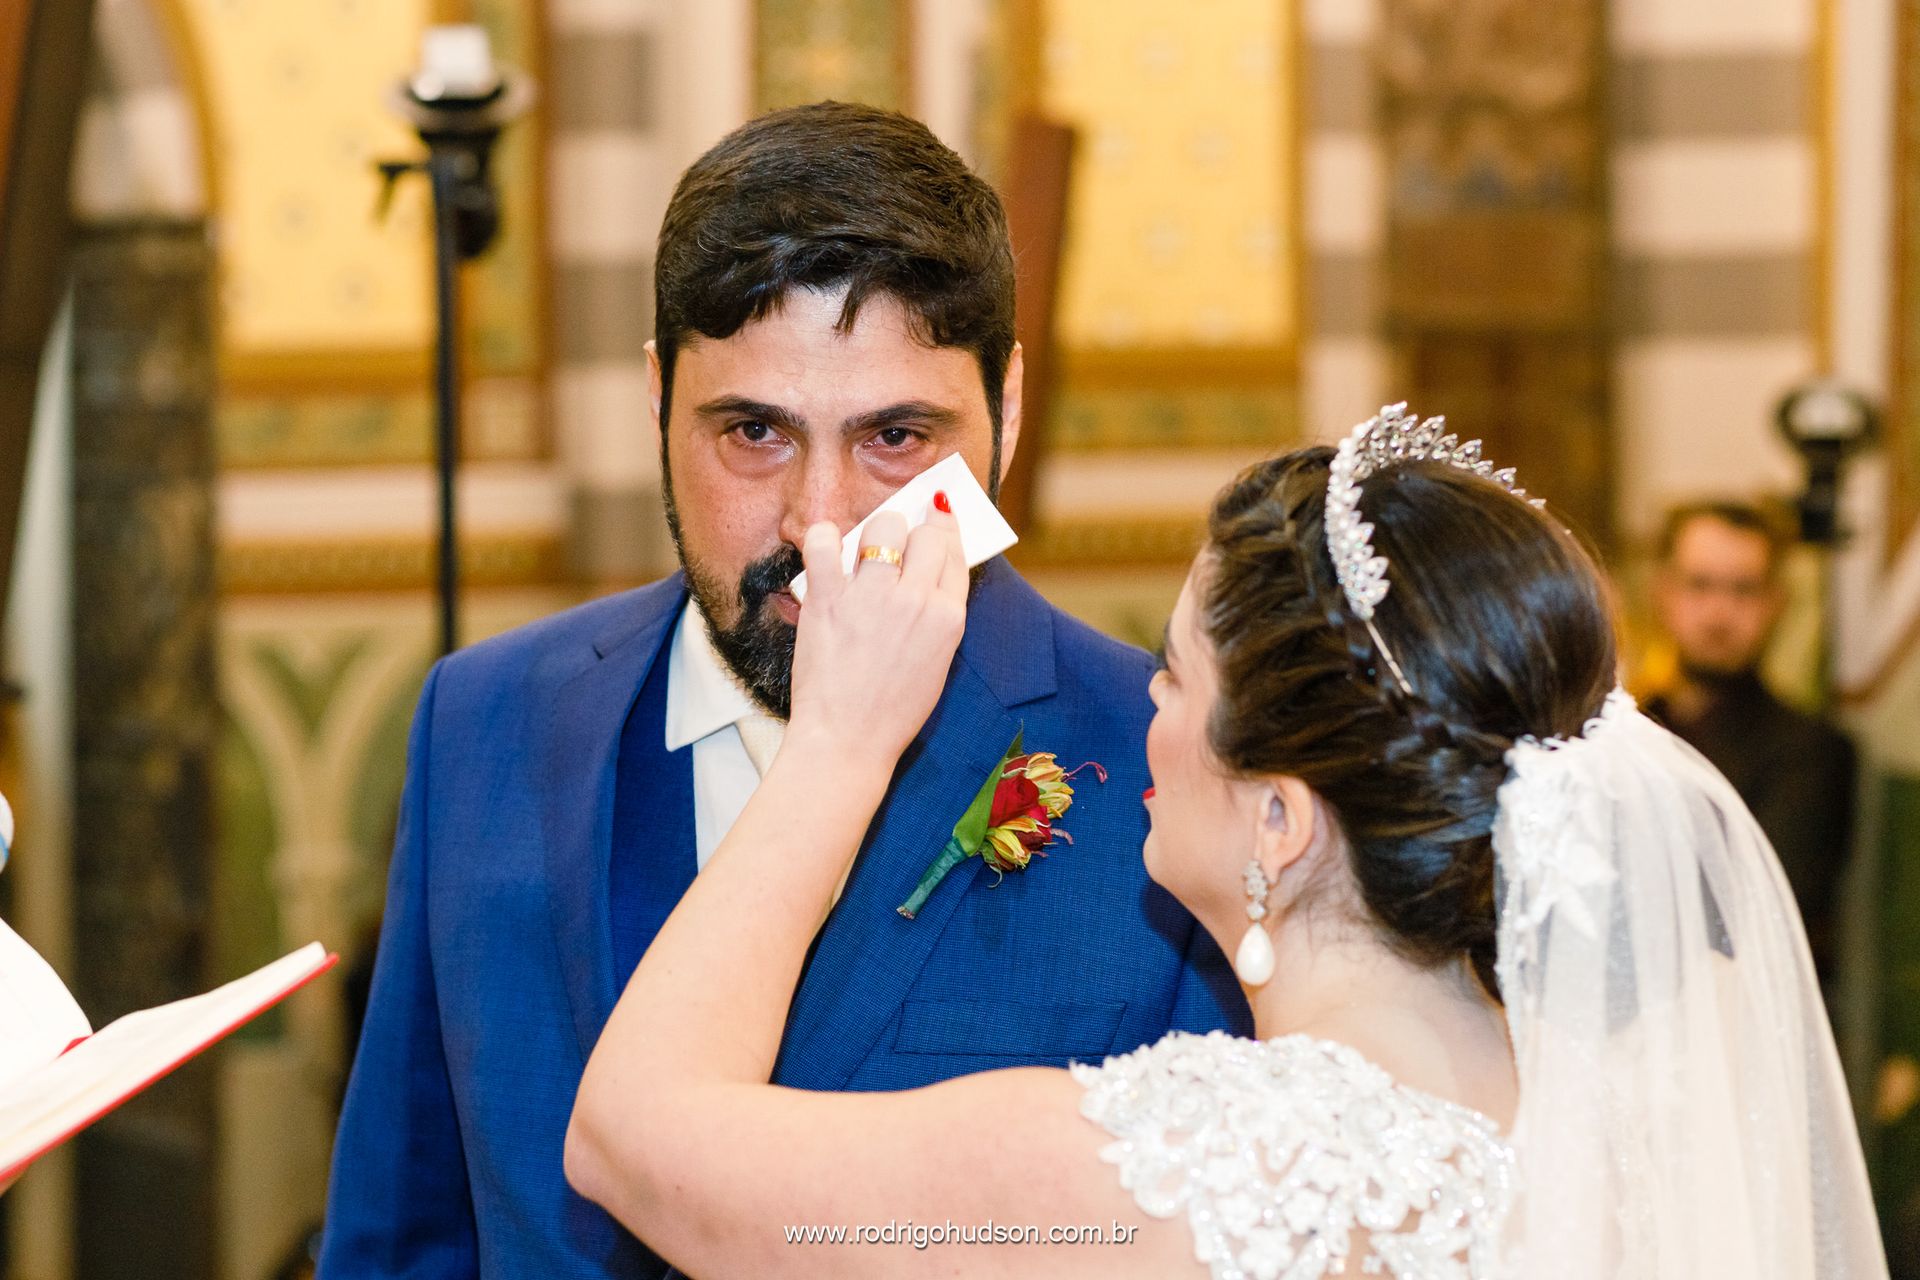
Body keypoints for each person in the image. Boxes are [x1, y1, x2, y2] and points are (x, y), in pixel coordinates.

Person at [565, 405, 1888, 1278]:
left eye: (1175, 679)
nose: (1144, 713)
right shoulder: (1626, 1118)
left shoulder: (1182, 1168)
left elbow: (633, 1137)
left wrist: (839, 747)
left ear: (1279, 817)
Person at [317, 103, 1246, 1277]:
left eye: (897, 435)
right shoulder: (484, 722)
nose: (823, 525)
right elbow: (405, 1240)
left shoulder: (1161, 762)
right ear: (657, 402)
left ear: (1007, 409)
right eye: (753, 431)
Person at [1646, 500, 1857, 984]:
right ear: (1663, 592)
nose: (1720, 613)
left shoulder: (1811, 750)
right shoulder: (1620, 725)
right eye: (1699, 585)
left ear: (1776, 602)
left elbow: (1766, 908)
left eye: (1744, 590)